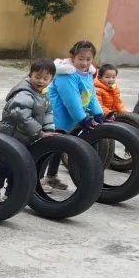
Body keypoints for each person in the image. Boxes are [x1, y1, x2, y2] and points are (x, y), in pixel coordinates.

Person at [0, 59, 56, 203]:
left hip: (25, 137)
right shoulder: (24, 92)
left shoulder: (43, 94)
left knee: (19, 168)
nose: (41, 81)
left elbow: (48, 113)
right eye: (37, 76)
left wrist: (48, 129)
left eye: (46, 78)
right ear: (30, 74)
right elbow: (20, 114)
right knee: (6, 166)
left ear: (51, 79)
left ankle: (11, 194)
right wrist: (39, 132)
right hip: (10, 137)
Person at [44, 39, 105, 190]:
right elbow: (72, 100)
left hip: (70, 118)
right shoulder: (66, 74)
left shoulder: (87, 73)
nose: (84, 63)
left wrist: (98, 114)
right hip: (55, 116)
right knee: (48, 150)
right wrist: (83, 119)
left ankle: (51, 177)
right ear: (72, 57)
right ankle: (36, 180)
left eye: (88, 59)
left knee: (59, 149)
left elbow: (90, 96)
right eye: (81, 59)